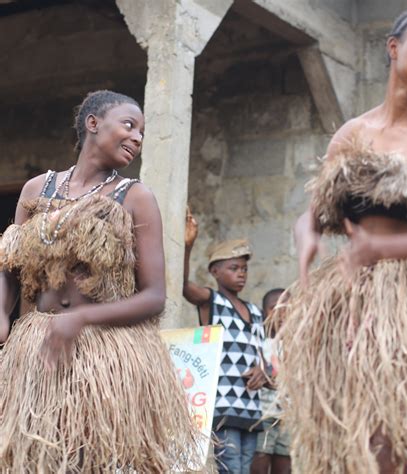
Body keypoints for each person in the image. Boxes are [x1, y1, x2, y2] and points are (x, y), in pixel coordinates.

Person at [272, 9, 407, 474]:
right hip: (355, 297)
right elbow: (315, 216)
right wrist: (306, 240)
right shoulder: (353, 133)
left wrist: (379, 250)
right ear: (393, 48)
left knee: (391, 434)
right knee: (358, 435)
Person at [0, 90, 200, 472]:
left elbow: (155, 296)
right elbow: (9, 263)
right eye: (129, 125)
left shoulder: (135, 197)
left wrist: (81, 319)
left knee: (90, 459)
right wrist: (1, 313)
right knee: (35, 458)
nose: (137, 137)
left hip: (104, 352)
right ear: (93, 123)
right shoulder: (36, 190)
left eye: (142, 131)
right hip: (39, 347)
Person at [184, 209, 268, 474]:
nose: (241, 274)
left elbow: (264, 355)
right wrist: (188, 247)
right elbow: (185, 287)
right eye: (233, 268)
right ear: (215, 272)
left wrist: (263, 371)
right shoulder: (213, 302)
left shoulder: (255, 312)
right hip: (223, 405)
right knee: (230, 467)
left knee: (244, 466)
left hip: (251, 408)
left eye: (244, 268)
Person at [250, 288, 291, 474]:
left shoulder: (297, 345)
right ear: (263, 313)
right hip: (263, 415)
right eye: (275, 308)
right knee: (260, 460)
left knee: (285, 464)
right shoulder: (259, 343)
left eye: (288, 308)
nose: (282, 315)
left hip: (288, 416)